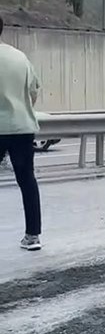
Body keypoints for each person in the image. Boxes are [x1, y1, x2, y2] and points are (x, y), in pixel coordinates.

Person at [0, 17, 43, 250]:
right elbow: (34, 91)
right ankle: (33, 236)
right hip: (22, 126)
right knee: (27, 180)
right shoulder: (20, 57)